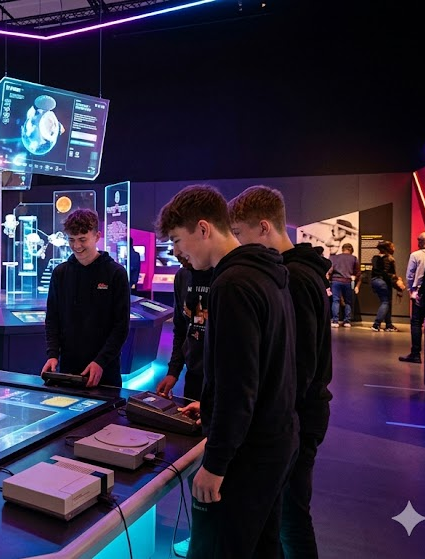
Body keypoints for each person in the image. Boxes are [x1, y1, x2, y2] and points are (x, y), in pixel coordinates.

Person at [155, 184, 298, 559]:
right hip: (274, 440)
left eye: (178, 240)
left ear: (203, 229)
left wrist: (216, 464)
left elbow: (240, 386)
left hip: (247, 455)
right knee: (264, 548)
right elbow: (263, 369)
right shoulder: (268, 272)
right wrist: (211, 405)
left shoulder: (232, 284)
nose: (179, 253)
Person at [228, 185, 334, 559]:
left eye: (239, 234)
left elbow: (299, 362)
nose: (237, 244)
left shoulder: (297, 278)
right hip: (296, 413)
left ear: (263, 227)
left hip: (299, 415)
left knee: (291, 515)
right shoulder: (299, 272)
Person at [41, 209, 131, 388]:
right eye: (71, 240)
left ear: (97, 237)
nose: (77, 246)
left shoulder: (116, 273)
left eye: (82, 239)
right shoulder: (60, 273)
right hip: (68, 369)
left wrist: (101, 361)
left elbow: (121, 326)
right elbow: (52, 319)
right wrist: (52, 354)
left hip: (105, 370)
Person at [157, 253, 211, 402]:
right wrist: (173, 372)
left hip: (222, 382)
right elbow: (181, 329)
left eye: (178, 240)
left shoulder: (226, 276)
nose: (175, 251)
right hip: (193, 376)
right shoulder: (182, 276)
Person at [400, 232, 425, 363]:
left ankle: (415, 353)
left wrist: (411, 290)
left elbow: (410, 275)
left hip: (420, 292)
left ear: (421, 241)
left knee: (416, 323)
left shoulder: (416, 255)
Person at [327, 243, 359, 327]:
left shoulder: (334, 258)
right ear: (351, 250)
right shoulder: (354, 258)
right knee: (348, 301)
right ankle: (347, 321)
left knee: (335, 301)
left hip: (335, 281)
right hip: (347, 282)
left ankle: (335, 321)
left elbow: (330, 270)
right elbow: (357, 272)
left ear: (342, 249)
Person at [369, 240, 397, 332]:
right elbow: (387, 273)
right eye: (392, 246)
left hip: (375, 281)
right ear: (388, 248)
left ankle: (389, 325)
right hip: (383, 281)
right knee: (385, 302)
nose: (394, 248)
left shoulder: (375, 258)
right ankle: (376, 324)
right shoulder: (389, 259)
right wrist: (396, 280)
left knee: (386, 302)